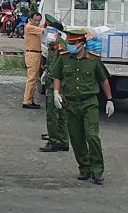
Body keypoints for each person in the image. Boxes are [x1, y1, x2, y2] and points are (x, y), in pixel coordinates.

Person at [51, 27, 114, 185]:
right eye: (69, 43)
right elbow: (57, 76)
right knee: (76, 138)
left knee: (92, 136)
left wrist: (110, 100)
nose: (70, 46)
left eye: (73, 43)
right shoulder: (64, 58)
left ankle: (97, 170)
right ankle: (84, 167)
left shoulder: (93, 60)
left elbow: (104, 80)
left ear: (81, 43)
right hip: (71, 103)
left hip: (89, 103)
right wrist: (56, 92)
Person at [39, 20, 69, 153]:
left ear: (58, 33)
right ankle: (61, 139)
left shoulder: (61, 46)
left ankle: (54, 141)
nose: (48, 34)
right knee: (59, 112)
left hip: (56, 83)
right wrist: (46, 72)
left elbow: (63, 66)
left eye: (51, 32)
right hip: (51, 80)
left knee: (53, 113)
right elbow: (51, 62)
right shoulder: (54, 45)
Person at [22, 12, 45, 109]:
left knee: (34, 79)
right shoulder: (29, 27)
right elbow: (43, 30)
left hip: (36, 53)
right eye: (35, 20)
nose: (37, 22)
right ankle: (27, 101)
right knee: (31, 79)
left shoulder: (35, 27)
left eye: (39, 21)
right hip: (32, 54)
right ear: (31, 19)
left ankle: (30, 100)